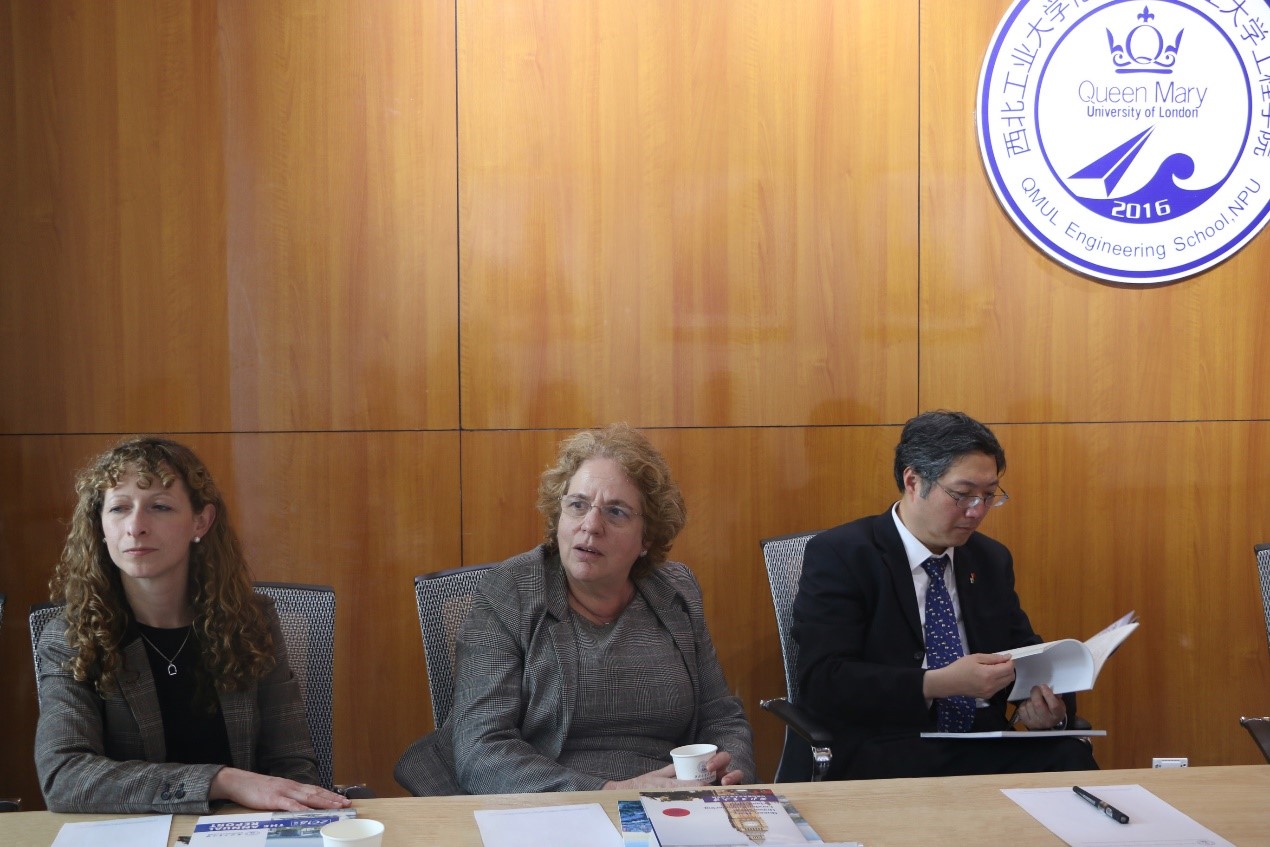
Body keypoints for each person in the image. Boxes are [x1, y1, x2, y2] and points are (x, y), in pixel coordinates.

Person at [396, 423, 754, 795]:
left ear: (647, 537)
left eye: (616, 512)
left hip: (671, 801)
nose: (591, 525)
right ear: (559, 515)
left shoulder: (675, 591)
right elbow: (481, 747)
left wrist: (729, 772)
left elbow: (721, 715)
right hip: (553, 803)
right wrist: (609, 791)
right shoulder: (511, 592)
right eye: (578, 505)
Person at [35, 437, 351, 814]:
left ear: (200, 521)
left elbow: (293, 762)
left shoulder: (251, 621)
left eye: (160, 507)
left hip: (241, 830)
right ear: (100, 526)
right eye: (119, 508)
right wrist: (221, 780)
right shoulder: (70, 636)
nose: (135, 526)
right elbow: (64, 777)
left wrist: (289, 819)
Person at [792, 410, 1098, 779]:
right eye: (963, 494)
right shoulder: (843, 554)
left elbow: (1024, 651)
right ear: (913, 481)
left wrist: (1048, 707)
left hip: (979, 740)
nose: (977, 511)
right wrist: (939, 683)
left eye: (989, 495)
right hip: (887, 743)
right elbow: (824, 680)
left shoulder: (989, 559)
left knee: (1069, 754)